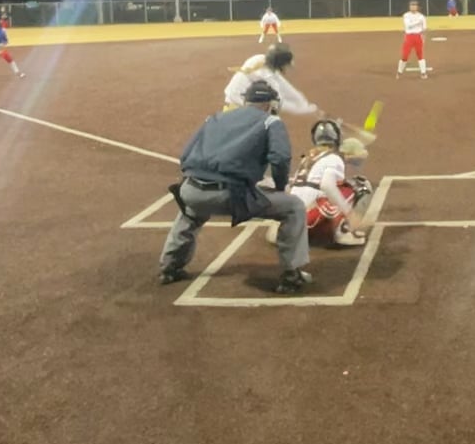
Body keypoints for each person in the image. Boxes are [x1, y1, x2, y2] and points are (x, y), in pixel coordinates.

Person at [159, 79, 312, 294]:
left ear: (246, 101)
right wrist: (280, 186)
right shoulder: (271, 122)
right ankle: (291, 274)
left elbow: (185, 155)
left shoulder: (215, 118)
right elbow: (280, 158)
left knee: (190, 211)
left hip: (191, 190)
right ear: (271, 104)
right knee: (293, 207)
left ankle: (169, 268)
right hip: (230, 196)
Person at [283, 120, 373, 248]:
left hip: (292, 220)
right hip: (310, 219)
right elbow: (327, 185)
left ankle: (283, 229)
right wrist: (350, 214)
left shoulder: (307, 158)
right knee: (358, 186)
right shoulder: (334, 158)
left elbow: (290, 186)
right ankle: (344, 232)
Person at [222, 43, 318, 115]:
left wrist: (302, 102)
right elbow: (279, 101)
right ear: (279, 63)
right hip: (237, 106)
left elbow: (284, 84)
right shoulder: (265, 74)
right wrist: (306, 109)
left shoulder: (259, 59)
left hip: (238, 101)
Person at [398, 0, 430, 78]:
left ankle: (423, 73)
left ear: (417, 7)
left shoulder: (421, 16)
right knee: (405, 55)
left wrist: (423, 37)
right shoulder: (406, 15)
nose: (413, 7)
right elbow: (408, 25)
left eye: (414, 5)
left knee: (420, 55)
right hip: (409, 37)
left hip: (418, 36)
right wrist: (418, 22)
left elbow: (424, 28)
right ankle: (399, 72)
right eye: (411, 5)